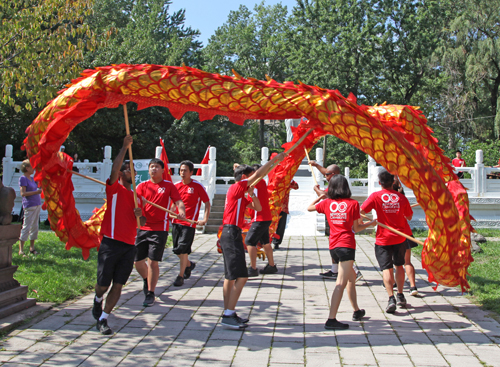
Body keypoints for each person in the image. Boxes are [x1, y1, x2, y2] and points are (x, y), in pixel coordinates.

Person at [219, 154, 285, 329]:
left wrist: (251, 195)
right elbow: (259, 175)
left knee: (230, 276)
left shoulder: (240, 192)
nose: (254, 179)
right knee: (242, 276)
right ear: (243, 178)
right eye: (250, 177)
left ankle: (228, 311)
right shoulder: (236, 187)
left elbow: (258, 207)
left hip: (230, 233)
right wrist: (274, 161)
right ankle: (228, 314)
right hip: (231, 233)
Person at [92, 135, 146, 335]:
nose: (130, 172)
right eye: (127, 169)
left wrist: (140, 216)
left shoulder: (138, 197)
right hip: (110, 243)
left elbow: (142, 223)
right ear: (123, 173)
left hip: (129, 245)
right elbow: (113, 169)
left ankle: (104, 319)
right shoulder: (114, 189)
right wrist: (124, 147)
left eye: (132, 169)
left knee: (119, 284)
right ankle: (97, 300)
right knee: (103, 284)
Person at [308, 175, 375, 329]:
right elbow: (356, 228)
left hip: (334, 247)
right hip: (346, 246)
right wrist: (372, 223)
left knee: (351, 278)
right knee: (341, 282)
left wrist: (321, 197)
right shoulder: (353, 204)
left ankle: (357, 311)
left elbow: (309, 208)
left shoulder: (327, 203)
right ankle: (331, 319)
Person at [135, 158, 186, 307]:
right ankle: (147, 279)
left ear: (163, 170)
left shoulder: (168, 186)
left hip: (160, 228)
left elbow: (178, 201)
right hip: (142, 227)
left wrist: (181, 211)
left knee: (153, 262)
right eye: (151, 167)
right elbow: (133, 204)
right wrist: (139, 205)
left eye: (157, 167)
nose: (154, 169)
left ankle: (150, 293)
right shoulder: (142, 186)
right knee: (138, 262)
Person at [361, 170, 413, 313]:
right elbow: (409, 217)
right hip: (399, 237)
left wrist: (371, 222)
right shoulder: (401, 198)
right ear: (393, 183)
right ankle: (400, 294)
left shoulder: (376, 196)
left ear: (380, 183)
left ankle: (391, 298)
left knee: (386, 269)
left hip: (383, 239)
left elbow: (361, 211)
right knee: (399, 266)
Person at [171, 160, 211, 287]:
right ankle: (189, 265)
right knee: (177, 250)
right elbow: (173, 203)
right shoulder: (176, 186)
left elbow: (207, 203)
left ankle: (180, 276)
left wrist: (204, 219)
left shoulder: (197, 186)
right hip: (176, 222)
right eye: (181, 170)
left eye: (185, 170)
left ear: (191, 172)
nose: (182, 173)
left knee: (183, 250)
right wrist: (171, 213)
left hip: (189, 223)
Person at [246, 164, 278, 276]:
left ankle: (253, 268)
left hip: (259, 218)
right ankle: (271, 265)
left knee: (249, 241)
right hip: (265, 217)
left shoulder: (257, 182)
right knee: (265, 242)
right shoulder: (259, 183)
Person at [393, 178, 419, 297]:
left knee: (396, 263)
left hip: (393, 234)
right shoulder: (403, 199)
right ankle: (413, 286)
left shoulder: (386, 200)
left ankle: (395, 284)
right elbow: (409, 217)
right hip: (406, 233)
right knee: (407, 261)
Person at [18, 159, 42, 256]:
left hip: (37, 204)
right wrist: (36, 192)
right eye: (32, 167)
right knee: (26, 227)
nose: (34, 169)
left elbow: (40, 183)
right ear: (27, 168)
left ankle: (32, 248)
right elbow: (23, 193)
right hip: (29, 205)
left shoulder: (33, 179)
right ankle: (21, 250)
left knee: (35, 227)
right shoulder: (23, 178)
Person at [272, 179, 299, 250]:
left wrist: (290, 179)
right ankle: (266, 241)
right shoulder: (274, 178)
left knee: (281, 226)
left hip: (283, 207)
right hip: (273, 206)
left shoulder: (288, 179)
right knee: (270, 224)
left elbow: (296, 186)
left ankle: (276, 242)